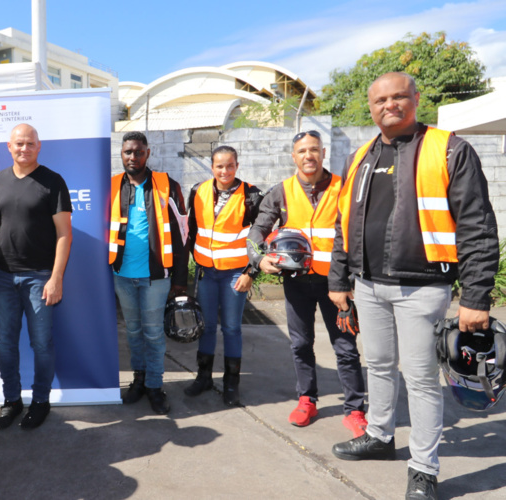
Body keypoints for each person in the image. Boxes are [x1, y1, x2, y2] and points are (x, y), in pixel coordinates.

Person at [329, 72, 499, 500]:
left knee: (422, 379)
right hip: (368, 285)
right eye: (380, 100)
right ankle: (380, 435)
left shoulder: (450, 150)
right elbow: (342, 224)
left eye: (398, 96)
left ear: (415, 99)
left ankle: (423, 468)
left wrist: (475, 297)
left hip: (421, 289)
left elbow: (477, 228)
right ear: (371, 107)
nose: (389, 105)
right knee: (380, 366)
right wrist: (340, 280)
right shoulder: (362, 156)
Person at [247, 130, 368, 438]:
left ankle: (355, 410)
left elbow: (361, 233)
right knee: (301, 344)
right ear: (294, 156)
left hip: (337, 285)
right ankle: (307, 400)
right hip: (297, 282)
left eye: (314, 150)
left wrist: (354, 278)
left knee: (345, 346)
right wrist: (259, 261)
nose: (308, 156)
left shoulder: (343, 188)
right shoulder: (282, 191)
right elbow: (256, 233)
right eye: (302, 151)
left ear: (323, 153)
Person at [0, 123, 72, 430]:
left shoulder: (53, 181)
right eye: (18, 144)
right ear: (8, 147)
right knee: (6, 345)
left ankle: (41, 401)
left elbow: (65, 234)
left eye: (29, 144)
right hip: (4, 277)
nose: (23, 148)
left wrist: (56, 278)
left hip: (40, 277)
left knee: (41, 344)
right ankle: (12, 401)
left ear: (39, 147)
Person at [110, 131, 187, 415]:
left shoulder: (167, 185)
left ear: (148, 153)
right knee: (132, 331)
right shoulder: (113, 186)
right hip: (122, 275)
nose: (133, 157)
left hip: (156, 277)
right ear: (122, 153)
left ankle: (155, 386)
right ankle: (139, 380)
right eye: (128, 152)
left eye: (138, 152)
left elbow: (182, 234)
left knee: (154, 334)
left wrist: (180, 279)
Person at [184, 146, 262, 406]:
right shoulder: (198, 191)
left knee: (231, 328)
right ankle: (203, 376)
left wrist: (251, 272)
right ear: (212, 167)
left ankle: (231, 385)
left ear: (237, 165)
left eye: (230, 166)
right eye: (219, 166)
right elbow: (192, 231)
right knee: (205, 326)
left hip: (234, 274)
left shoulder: (251, 195)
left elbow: (261, 239)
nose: (225, 171)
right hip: (206, 273)